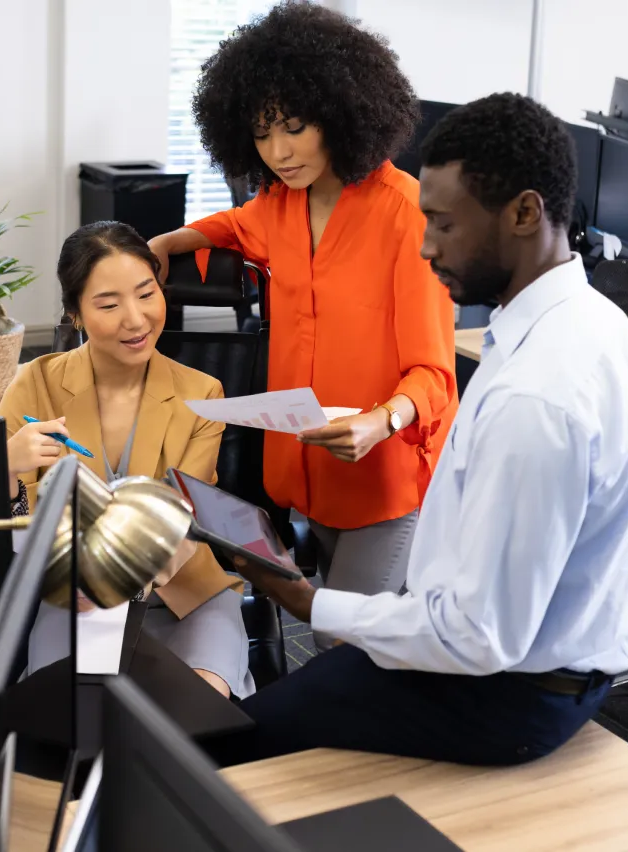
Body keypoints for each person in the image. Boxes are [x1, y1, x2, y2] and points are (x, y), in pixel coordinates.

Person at [202, 93, 628, 767]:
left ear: (524, 213)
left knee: (223, 747)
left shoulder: (538, 398)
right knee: (292, 703)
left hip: (506, 697)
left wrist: (310, 602)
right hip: (540, 665)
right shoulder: (592, 319)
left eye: (444, 225)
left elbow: (478, 636)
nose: (425, 246)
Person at [148, 2, 458, 645]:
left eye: (294, 127)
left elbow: (434, 371)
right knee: (323, 629)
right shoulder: (279, 203)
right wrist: (177, 238)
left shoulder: (406, 215)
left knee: (339, 642)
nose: (279, 151)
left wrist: (383, 419)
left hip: (382, 477)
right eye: (262, 134)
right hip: (302, 475)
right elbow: (238, 226)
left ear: (343, 112)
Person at [0, 221, 254, 699]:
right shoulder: (35, 385)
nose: (136, 319)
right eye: (109, 304)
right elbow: (13, 527)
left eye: (146, 293)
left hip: (184, 593)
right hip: (72, 599)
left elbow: (181, 520)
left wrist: (110, 580)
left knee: (196, 712)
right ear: (75, 313)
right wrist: (6, 466)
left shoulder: (201, 393)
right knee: (65, 713)